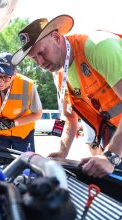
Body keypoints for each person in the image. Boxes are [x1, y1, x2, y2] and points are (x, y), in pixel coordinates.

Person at [11, 15, 122, 177]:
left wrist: (111, 156)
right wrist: (62, 152)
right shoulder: (60, 73)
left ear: (56, 37)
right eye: (34, 58)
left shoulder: (97, 46)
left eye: (42, 52)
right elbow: (70, 118)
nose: (40, 63)